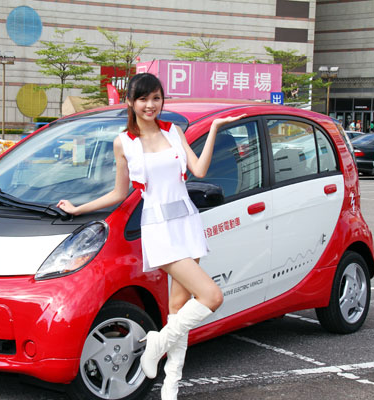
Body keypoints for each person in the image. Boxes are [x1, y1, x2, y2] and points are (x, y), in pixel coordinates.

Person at [57, 73, 242, 399]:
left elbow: (199, 171)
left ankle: (170, 386)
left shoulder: (174, 132)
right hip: (159, 229)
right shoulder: (124, 142)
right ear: (130, 102)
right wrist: (78, 209)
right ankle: (155, 344)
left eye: (156, 98)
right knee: (211, 297)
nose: (150, 105)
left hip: (187, 222)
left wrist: (214, 129)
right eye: (143, 99)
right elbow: (119, 193)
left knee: (178, 309)